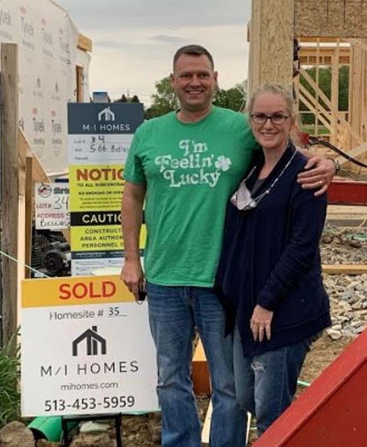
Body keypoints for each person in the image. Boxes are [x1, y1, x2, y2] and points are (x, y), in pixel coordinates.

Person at [120, 45, 335, 447]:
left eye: (202, 74)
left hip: (220, 283)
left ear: (215, 79)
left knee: (230, 387)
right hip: (165, 278)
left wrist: (327, 162)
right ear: (173, 83)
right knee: (170, 378)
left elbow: (283, 150)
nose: (194, 82)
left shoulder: (240, 128)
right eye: (186, 75)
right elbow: (132, 196)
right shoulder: (149, 133)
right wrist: (132, 259)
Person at [215, 84, 332, 437]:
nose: (269, 124)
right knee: (247, 396)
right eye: (261, 116)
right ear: (250, 119)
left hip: (282, 310)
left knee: (271, 415)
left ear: (292, 120)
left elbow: (302, 247)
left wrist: (267, 302)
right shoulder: (250, 169)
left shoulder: (306, 174)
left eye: (278, 116)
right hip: (244, 308)